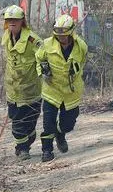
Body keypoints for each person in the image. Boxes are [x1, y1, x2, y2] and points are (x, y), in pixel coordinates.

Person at [35, 14, 88, 162]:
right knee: (48, 122)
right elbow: (38, 60)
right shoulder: (46, 44)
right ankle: (46, 151)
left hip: (71, 92)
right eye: (58, 34)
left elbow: (82, 63)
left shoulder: (81, 46)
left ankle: (61, 134)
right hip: (51, 90)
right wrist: (43, 72)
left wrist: (75, 70)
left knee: (68, 124)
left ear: (71, 32)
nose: (61, 37)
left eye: (64, 34)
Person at [0, 5, 43, 160]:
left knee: (30, 123)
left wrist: (43, 69)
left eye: (15, 20)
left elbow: (43, 56)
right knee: (17, 122)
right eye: (9, 20)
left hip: (31, 91)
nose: (12, 23)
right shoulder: (6, 37)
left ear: (21, 21)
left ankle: (27, 142)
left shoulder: (32, 40)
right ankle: (22, 149)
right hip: (13, 90)